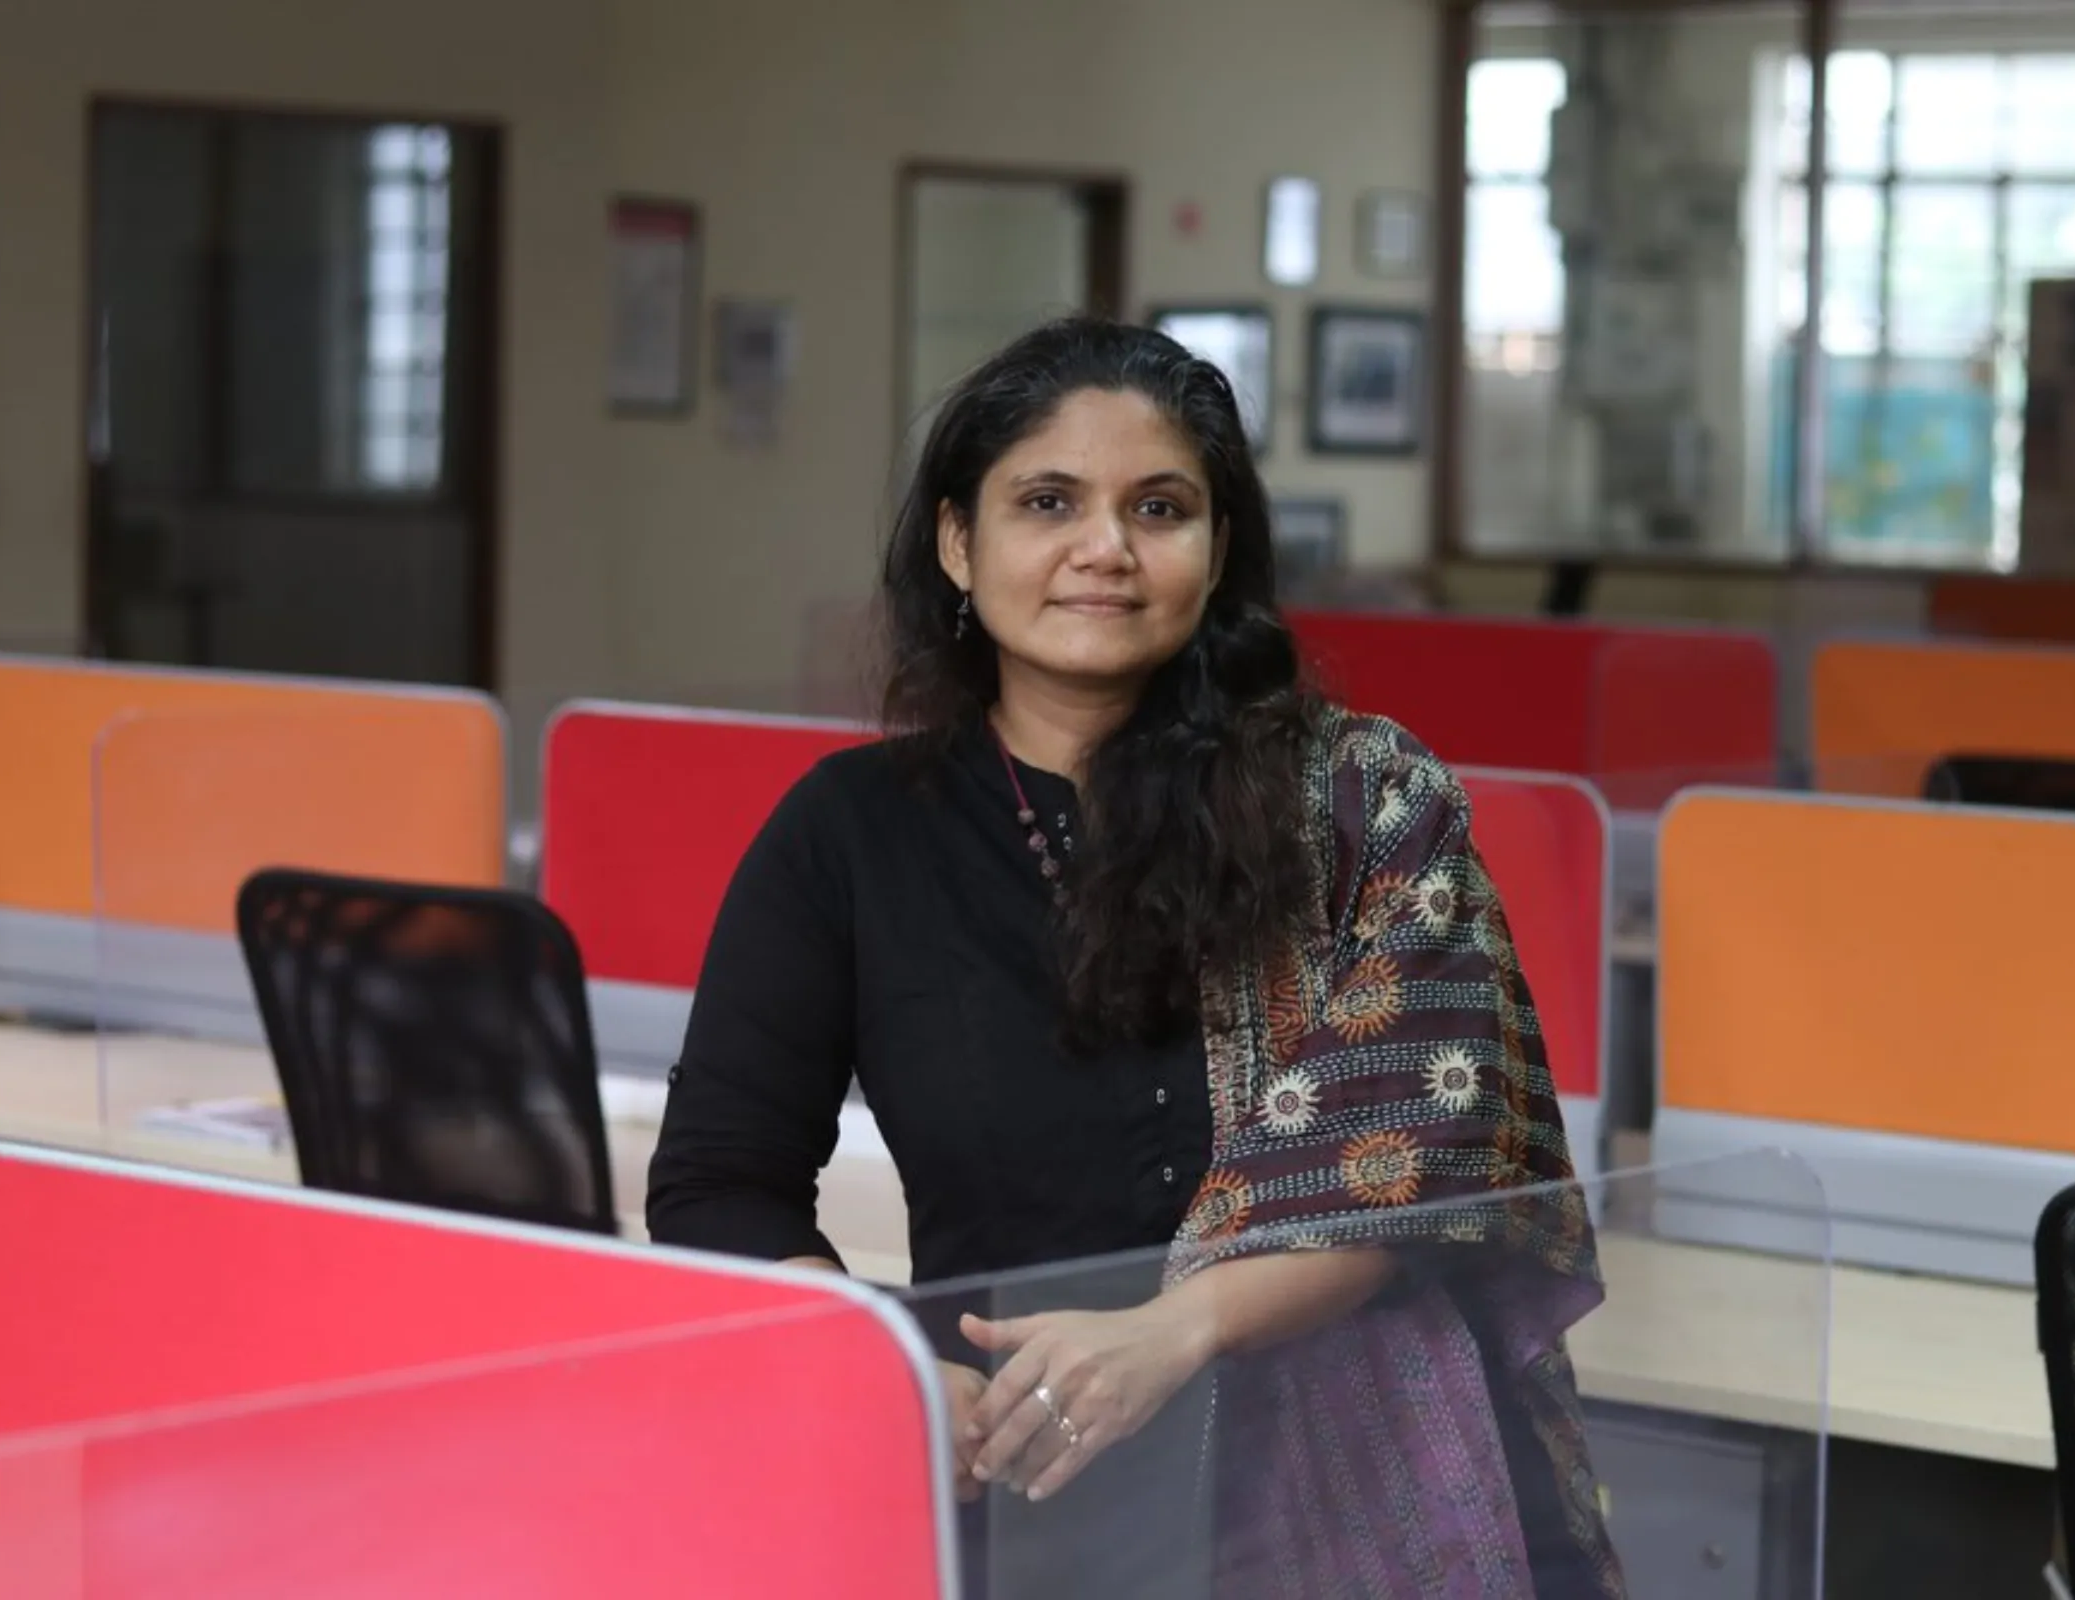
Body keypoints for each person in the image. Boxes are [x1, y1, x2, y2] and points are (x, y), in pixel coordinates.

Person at [647, 317, 1621, 1599]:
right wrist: (877, 1358)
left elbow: (1431, 1163)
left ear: (1218, 551)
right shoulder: (851, 833)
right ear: (959, 540)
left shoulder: (1358, 805)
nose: (1103, 550)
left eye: (1159, 507)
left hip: (1355, 1495)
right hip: (1021, 1471)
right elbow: (721, 1181)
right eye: (1047, 501)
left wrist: (1180, 1329)